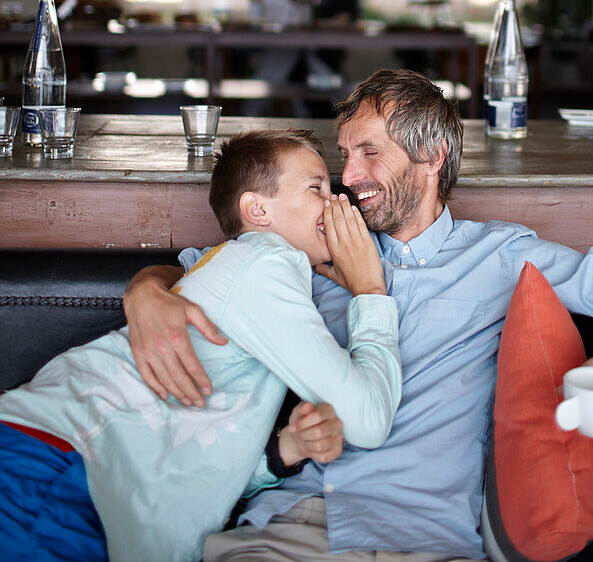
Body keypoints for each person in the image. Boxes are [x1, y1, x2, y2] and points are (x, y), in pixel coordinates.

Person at [125, 70, 593, 562]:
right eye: (344, 156)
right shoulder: (308, 244)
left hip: (424, 539)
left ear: (432, 155)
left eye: (369, 153)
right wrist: (145, 293)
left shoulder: (503, 255)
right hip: (289, 525)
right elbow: (193, 273)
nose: (349, 177)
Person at [0, 130, 401, 562]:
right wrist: (371, 291)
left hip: (64, 467)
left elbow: (199, 445)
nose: (337, 201)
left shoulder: (244, 267)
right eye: (316, 188)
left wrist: (285, 452)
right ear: (258, 209)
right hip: (52, 464)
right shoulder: (263, 263)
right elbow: (368, 420)